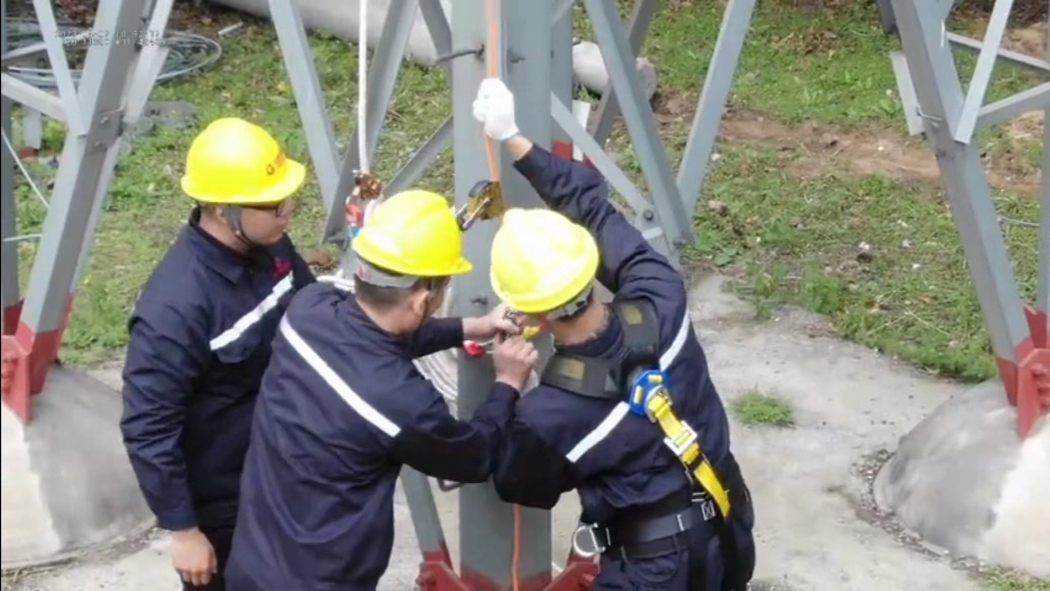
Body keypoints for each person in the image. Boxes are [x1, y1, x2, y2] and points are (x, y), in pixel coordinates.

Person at [472, 78, 757, 590]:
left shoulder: (550, 414)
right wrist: (514, 137)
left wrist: (507, 386)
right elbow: (594, 209)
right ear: (589, 267)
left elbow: (519, 483)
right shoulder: (661, 297)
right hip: (728, 526)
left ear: (529, 312)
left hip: (651, 571)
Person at [224, 189, 539, 591]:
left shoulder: (309, 309)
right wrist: (508, 383)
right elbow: (473, 456)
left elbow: (381, 337)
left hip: (252, 562)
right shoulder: (401, 403)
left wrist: (471, 327)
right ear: (423, 300)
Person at [120, 117, 316, 590]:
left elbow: (313, 315)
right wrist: (185, 532)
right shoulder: (175, 310)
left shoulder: (270, 242)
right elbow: (148, 427)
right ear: (221, 210)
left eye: (288, 197)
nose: (287, 211)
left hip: (285, 473)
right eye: (272, 204)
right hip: (226, 505)